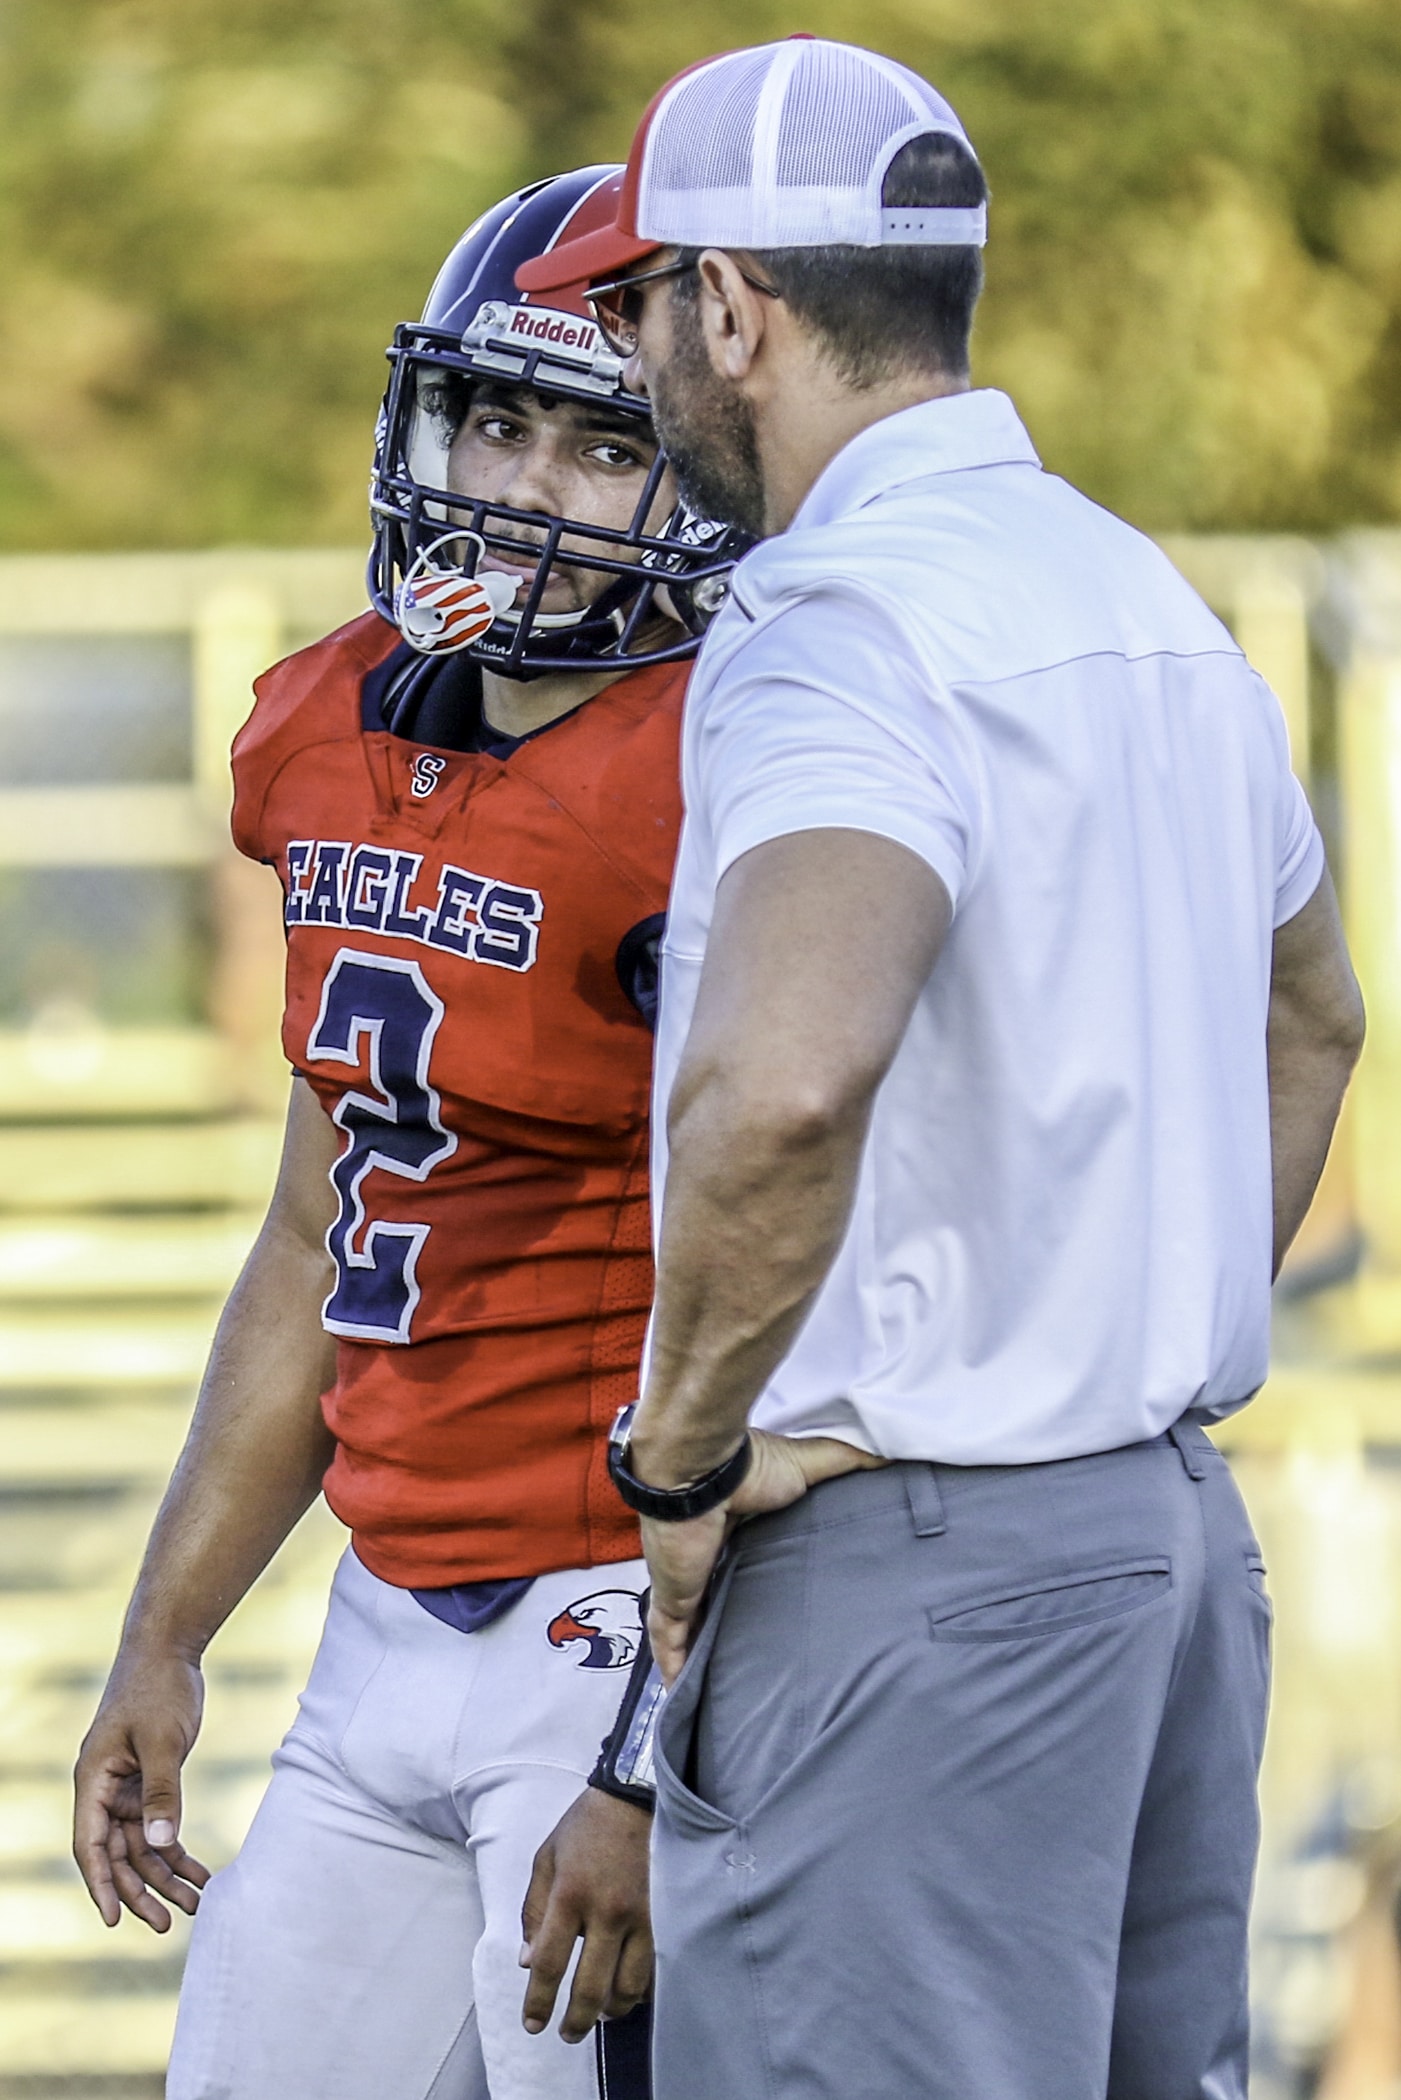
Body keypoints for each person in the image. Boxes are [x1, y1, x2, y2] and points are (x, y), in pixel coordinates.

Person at [519, 38, 1368, 2100]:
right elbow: (1313, 1016)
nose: (634, 366)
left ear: (730, 305)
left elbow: (785, 1087)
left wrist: (684, 1458)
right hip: (1161, 1533)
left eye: (638, 309)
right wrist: (1109, 1334)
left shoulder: (840, 616)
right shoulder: (1142, 599)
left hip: (915, 1567)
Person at [71, 166, 748, 2100]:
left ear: (695, 463)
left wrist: (657, 1728)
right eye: (493, 420)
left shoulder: (729, 762)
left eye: (597, 440)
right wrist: (169, 1635)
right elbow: (313, 1229)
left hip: (617, 1596)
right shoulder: (328, 725)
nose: (524, 485)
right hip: (385, 1608)